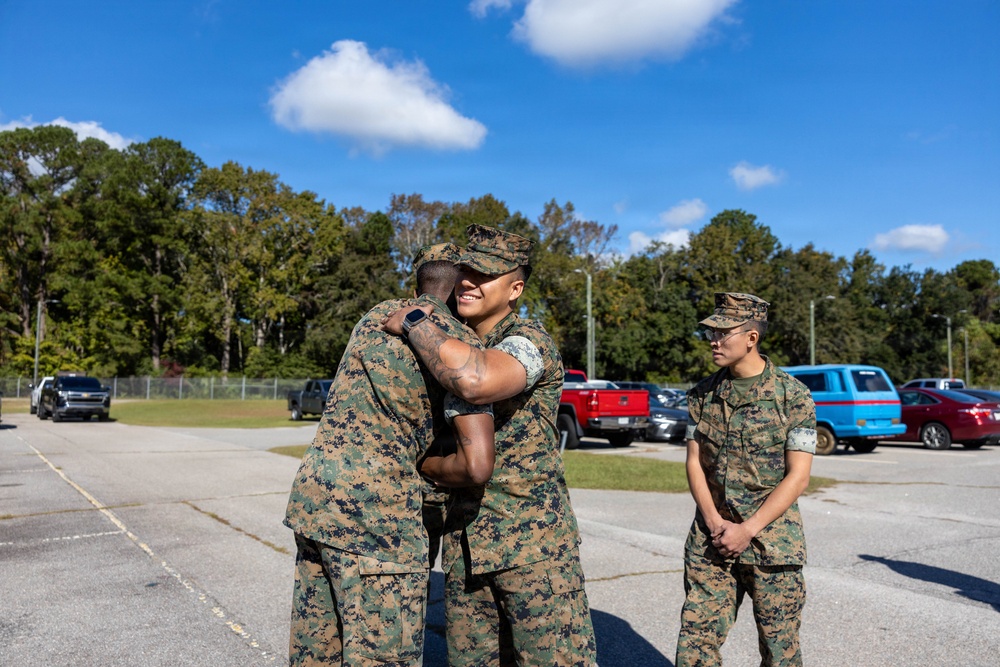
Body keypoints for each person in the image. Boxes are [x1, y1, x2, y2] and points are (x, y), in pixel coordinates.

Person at [384, 224, 597, 667]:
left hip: (532, 552)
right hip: (465, 550)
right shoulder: (454, 341)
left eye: (485, 275)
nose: (468, 282)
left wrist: (414, 321)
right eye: (465, 271)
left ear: (515, 289)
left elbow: (476, 380)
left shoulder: (528, 342)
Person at [283, 243, 496, 667]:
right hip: (378, 521)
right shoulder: (457, 343)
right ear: (461, 292)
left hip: (314, 504)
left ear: (417, 288)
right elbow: (477, 465)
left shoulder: (374, 317)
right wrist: (429, 468)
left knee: (316, 655)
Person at [675, 292, 817, 667]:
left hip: (772, 546)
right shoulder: (701, 395)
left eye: (723, 332)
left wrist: (747, 530)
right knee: (695, 644)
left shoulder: (793, 396)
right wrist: (713, 522)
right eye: (711, 332)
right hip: (713, 541)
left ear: (752, 337)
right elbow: (694, 462)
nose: (714, 341)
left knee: (779, 651)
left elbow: (798, 477)